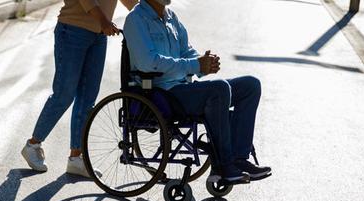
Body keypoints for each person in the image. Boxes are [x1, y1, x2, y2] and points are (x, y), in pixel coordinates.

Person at [123, 0, 271, 183]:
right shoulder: (136, 19)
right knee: (219, 90)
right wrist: (194, 65)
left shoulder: (170, 17)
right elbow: (147, 62)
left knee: (250, 85)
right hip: (160, 93)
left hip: (183, 87)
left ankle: (239, 159)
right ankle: (224, 164)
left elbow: (187, 52)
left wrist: (203, 64)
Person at [21, 0, 138, 177]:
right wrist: (103, 21)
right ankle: (33, 144)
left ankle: (76, 158)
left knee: (87, 97)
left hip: (99, 35)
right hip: (73, 30)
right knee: (64, 94)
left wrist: (148, 12)